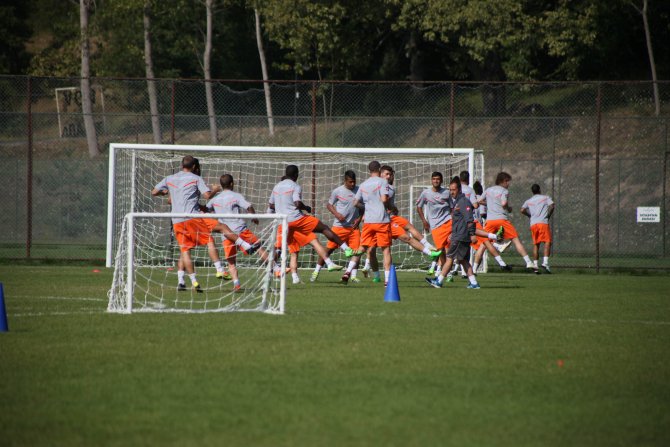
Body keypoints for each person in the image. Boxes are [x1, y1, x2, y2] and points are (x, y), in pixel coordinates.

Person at [152, 155, 251, 292]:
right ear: (193, 167)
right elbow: (207, 196)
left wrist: (164, 193)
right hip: (193, 217)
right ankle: (224, 265)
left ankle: (188, 280)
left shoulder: (170, 178)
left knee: (185, 250)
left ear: (182, 165)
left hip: (177, 220)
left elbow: (154, 192)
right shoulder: (195, 178)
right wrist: (215, 189)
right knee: (215, 234)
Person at [268, 165, 360, 273]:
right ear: (296, 175)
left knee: (279, 247)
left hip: (282, 221)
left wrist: (282, 206)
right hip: (297, 219)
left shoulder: (276, 186)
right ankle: (346, 249)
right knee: (324, 228)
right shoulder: (295, 186)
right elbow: (297, 203)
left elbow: (271, 205)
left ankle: (270, 269)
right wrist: (306, 208)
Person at [205, 174, 270, 291]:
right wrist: (253, 217)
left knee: (231, 261)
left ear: (221, 185)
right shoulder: (236, 196)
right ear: (232, 184)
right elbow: (249, 206)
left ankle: (236, 284)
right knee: (259, 248)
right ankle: (276, 269)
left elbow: (206, 210)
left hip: (226, 234)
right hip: (240, 230)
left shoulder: (215, 199)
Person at [425, 177, 481, 289]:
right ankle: (474, 283)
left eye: (453, 189)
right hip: (459, 235)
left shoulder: (463, 202)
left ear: (459, 189)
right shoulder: (458, 202)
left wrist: (472, 234)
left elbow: (470, 219)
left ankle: (439, 281)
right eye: (450, 190)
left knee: (449, 258)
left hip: (460, 236)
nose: (451, 192)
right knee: (463, 260)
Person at [311, 170, 364, 284]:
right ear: (345, 181)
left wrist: (359, 219)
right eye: (350, 182)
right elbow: (329, 205)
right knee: (328, 250)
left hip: (353, 228)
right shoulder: (337, 191)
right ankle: (315, 273)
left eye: (354, 182)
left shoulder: (359, 190)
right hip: (339, 227)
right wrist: (337, 214)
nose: (352, 184)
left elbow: (363, 207)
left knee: (356, 252)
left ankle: (353, 276)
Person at [478, 172, 536, 272]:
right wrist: (508, 208)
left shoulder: (488, 190)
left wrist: (491, 204)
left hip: (490, 221)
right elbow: (504, 203)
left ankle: (473, 270)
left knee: (484, 244)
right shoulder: (504, 191)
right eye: (508, 181)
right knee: (515, 240)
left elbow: (479, 200)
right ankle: (528, 262)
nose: (508, 184)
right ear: (504, 181)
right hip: (501, 219)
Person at [381, 165, 442, 259]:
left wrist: (393, 208)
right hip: (383, 219)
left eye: (391, 174)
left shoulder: (390, 187)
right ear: (381, 174)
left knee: (410, 227)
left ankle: (429, 247)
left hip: (391, 217)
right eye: (387, 174)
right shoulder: (384, 187)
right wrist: (391, 207)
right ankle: (430, 253)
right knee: (406, 238)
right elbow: (385, 201)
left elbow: (387, 202)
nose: (389, 176)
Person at [354, 161, 393, 285]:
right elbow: (384, 199)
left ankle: (348, 268)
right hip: (381, 220)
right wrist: (389, 206)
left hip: (369, 222)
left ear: (369, 170)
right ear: (379, 169)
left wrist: (366, 206)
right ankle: (387, 280)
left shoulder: (364, 184)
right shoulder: (383, 182)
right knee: (385, 250)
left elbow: (355, 203)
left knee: (363, 247)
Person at [416, 172, 452, 277]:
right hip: (435, 225)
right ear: (431, 180)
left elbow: (452, 207)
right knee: (440, 250)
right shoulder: (426, 193)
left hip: (447, 222)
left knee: (449, 248)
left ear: (441, 181)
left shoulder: (447, 192)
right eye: (434, 179)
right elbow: (419, 207)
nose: (436, 181)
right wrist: (424, 221)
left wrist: (453, 219)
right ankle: (445, 272)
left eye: (438, 179)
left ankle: (442, 272)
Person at [521, 184, 555, 273]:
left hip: (533, 224)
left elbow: (522, 210)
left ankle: (535, 265)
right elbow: (552, 205)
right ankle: (545, 263)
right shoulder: (545, 197)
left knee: (536, 244)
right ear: (539, 190)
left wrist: (530, 216)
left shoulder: (529, 201)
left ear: (532, 191)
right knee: (547, 242)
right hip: (543, 223)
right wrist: (548, 215)